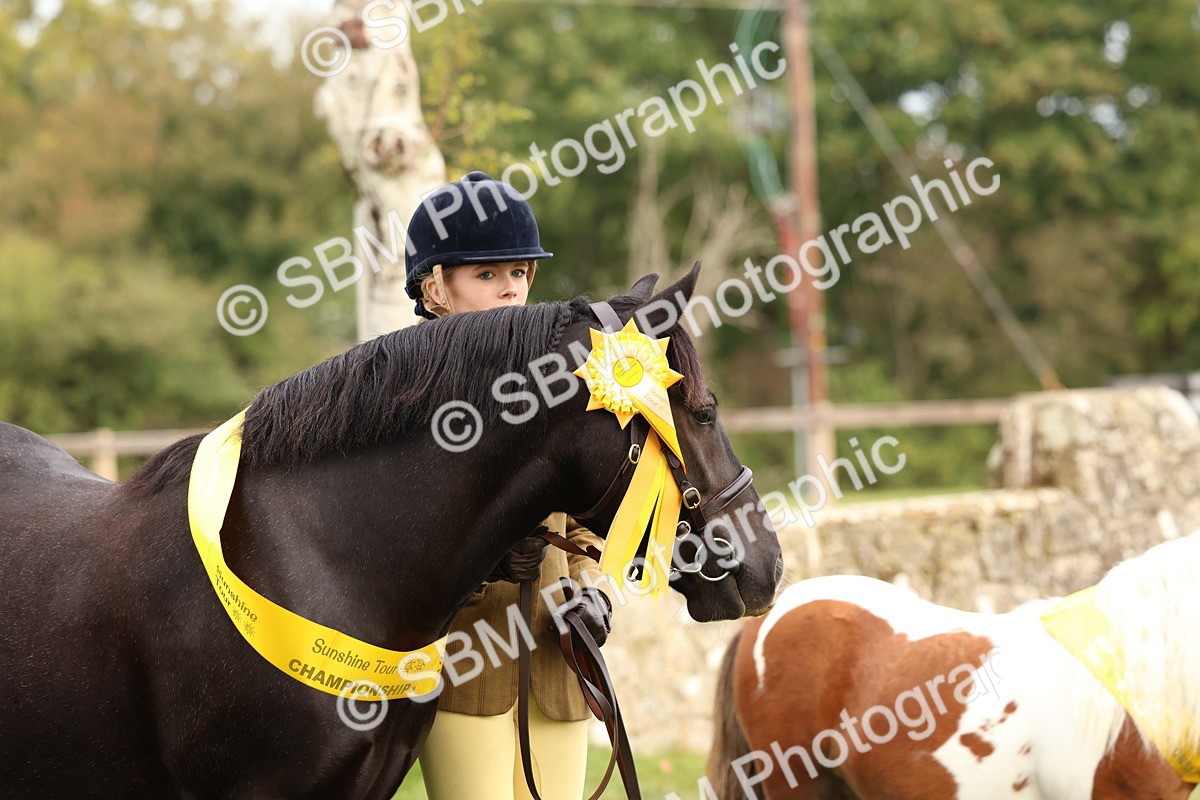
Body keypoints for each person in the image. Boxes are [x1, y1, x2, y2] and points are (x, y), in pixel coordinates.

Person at [404, 171, 615, 800]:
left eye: (519, 274)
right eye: (487, 276)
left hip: (556, 663)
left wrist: (591, 590)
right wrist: (484, 566)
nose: (510, 292)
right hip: (464, 668)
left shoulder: (555, 384)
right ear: (435, 286)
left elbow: (583, 518)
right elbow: (399, 538)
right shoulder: (402, 389)